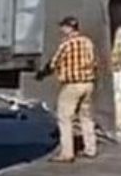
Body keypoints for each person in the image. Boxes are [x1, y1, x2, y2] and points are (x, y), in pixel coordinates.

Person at [36, 16, 98, 163]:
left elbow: (53, 63)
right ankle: (91, 149)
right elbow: (95, 62)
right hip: (88, 84)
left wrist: (41, 74)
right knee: (86, 117)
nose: (61, 29)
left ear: (68, 28)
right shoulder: (88, 42)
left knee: (64, 118)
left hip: (72, 85)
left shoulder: (66, 44)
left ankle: (67, 153)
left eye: (63, 27)